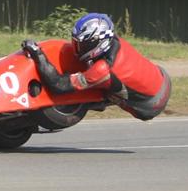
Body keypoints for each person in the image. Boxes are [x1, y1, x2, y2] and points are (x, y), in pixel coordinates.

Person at [21, 13, 171, 121]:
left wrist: (38, 54)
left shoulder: (102, 70)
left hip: (149, 105)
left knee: (88, 87)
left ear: (97, 43)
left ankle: (103, 98)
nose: (77, 48)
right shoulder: (113, 39)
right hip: (162, 77)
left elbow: (59, 86)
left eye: (82, 45)